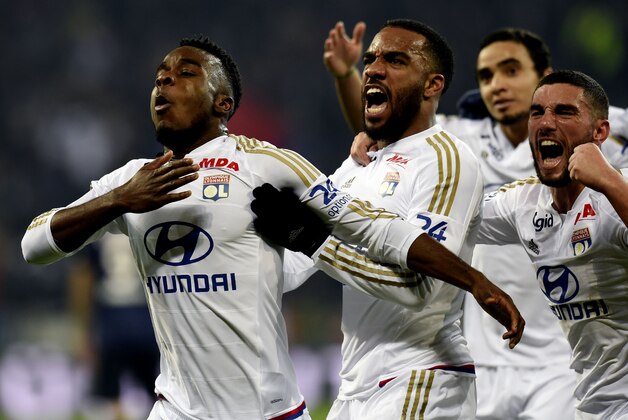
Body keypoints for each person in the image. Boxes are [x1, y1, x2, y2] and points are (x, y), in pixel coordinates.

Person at [21, 35, 523, 419]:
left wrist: (476, 281)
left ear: (223, 104)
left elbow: (375, 228)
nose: (164, 82)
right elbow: (35, 244)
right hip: (176, 408)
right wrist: (117, 201)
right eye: (159, 76)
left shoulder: (269, 165)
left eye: (185, 72)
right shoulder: (131, 180)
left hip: (271, 410)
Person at [324, 21, 628, 419]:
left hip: (557, 367)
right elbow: (420, 187)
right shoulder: (477, 155)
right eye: (486, 75)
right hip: (509, 357)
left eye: (511, 70)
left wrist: (608, 176)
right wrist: (377, 146)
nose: (497, 84)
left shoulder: (609, 153)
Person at [255, 18, 494, 419]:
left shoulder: (446, 159)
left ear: (432, 85)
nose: (375, 68)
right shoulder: (359, 165)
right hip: (356, 387)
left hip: (421, 375)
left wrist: (315, 242)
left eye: (396, 60)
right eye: (371, 59)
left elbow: (420, 289)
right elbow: (294, 266)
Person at [477, 69, 628, 420]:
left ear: (600, 132)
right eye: (537, 112)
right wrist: (383, 151)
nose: (546, 123)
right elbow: (445, 219)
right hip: (593, 404)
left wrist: (608, 178)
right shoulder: (523, 203)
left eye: (564, 112)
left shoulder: (617, 193)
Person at [68, 232, 159, 419]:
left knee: (111, 396)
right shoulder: (145, 226)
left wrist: (82, 330)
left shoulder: (98, 229)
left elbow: (83, 277)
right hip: (145, 316)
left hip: (111, 319)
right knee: (156, 390)